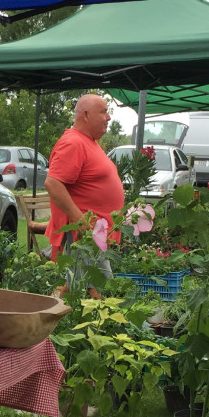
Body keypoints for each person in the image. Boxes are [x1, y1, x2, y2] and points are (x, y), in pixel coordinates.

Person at [34, 93, 124, 297]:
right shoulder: (73, 142)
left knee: (76, 283)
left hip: (95, 231)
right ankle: (105, 325)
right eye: (103, 112)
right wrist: (81, 221)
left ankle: (49, 314)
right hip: (85, 231)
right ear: (86, 114)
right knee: (100, 287)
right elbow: (53, 183)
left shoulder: (88, 141)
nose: (108, 118)